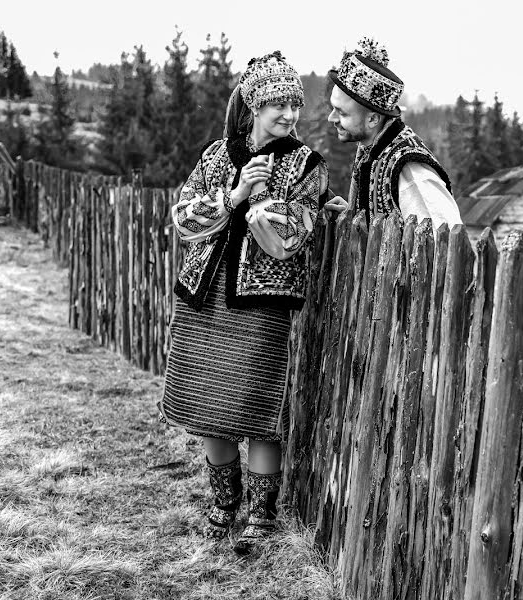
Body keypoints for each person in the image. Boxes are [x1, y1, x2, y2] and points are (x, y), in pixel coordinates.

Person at [159, 51, 328, 554]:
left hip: (263, 303)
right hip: (204, 299)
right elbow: (184, 219)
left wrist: (262, 206)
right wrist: (233, 197)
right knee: (208, 407)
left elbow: (296, 232)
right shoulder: (215, 156)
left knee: (256, 409)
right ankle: (223, 501)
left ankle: (260, 512)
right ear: (254, 105)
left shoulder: (305, 163)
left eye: (295, 106)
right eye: (278, 105)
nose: (289, 116)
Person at [325, 38, 462, 227]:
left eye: (342, 113)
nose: (331, 118)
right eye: (333, 108)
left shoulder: (411, 171)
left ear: (373, 119)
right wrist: (354, 215)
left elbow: (446, 237)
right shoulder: (371, 149)